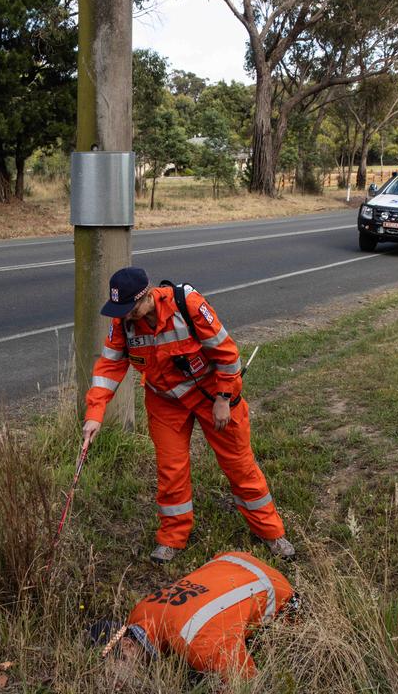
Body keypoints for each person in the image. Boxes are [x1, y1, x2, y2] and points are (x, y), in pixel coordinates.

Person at [81, 267, 294, 564]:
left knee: (239, 466)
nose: (126, 316)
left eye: (131, 309)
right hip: (165, 400)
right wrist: (95, 413)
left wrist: (223, 398)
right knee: (171, 470)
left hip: (210, 393)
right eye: (122, 310)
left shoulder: (188, 305)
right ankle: (172, 538)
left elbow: (227, 354)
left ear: (147, 296)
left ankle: (271, 533)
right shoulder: (123, 322)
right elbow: (109, 366)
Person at [89, 551, 296, 681]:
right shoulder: (140, 612)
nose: (120, 679)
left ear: (127, 645)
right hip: (231, 559)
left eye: (117, 668)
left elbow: (247, 680)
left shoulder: (198, 644)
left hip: (275, 586)